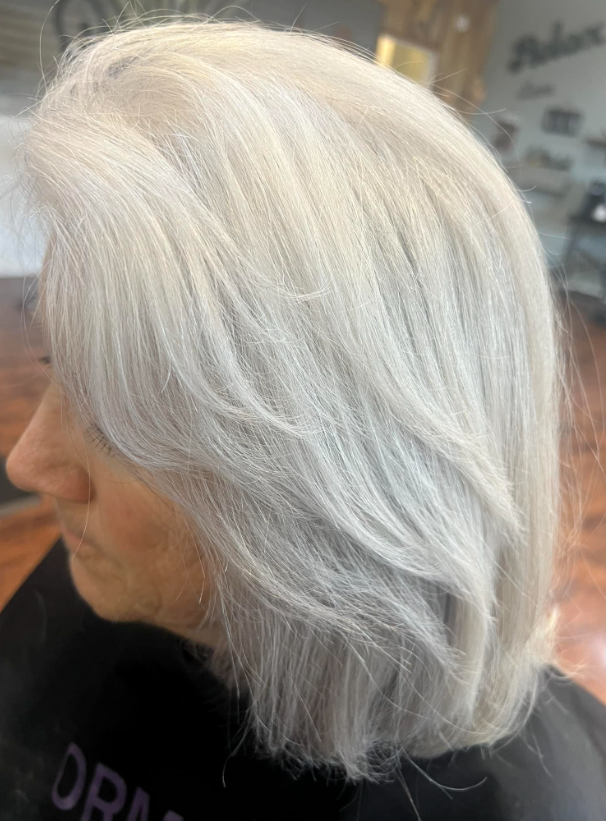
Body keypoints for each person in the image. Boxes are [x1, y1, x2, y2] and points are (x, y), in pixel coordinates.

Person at [4, 17, 605, 820]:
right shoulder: (119, 574)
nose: (27, 463)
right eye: (56, 368)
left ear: (340, 507)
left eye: (117, 424)